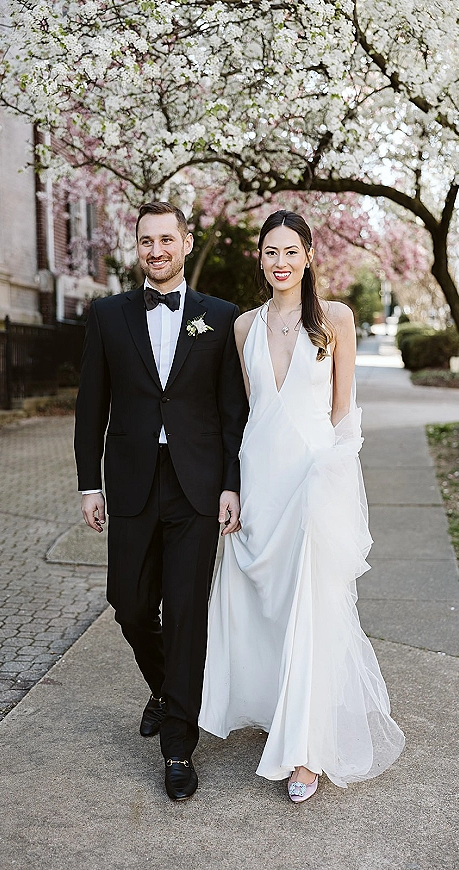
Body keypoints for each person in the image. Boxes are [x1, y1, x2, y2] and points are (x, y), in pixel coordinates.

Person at [199, 210, 405, 802]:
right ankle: (272, 709)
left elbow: (344, 414)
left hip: (315, 478)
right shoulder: (242, 328)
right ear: (259, 260)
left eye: (291, 251)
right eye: (270, 252)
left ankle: (306, 751)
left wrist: (339, 483)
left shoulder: (335, 319)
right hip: (262, 479)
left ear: (309, 255)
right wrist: (230, 486)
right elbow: (244, 417)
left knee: (311, 608)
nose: (280, 261)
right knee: (264, 605)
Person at [74, 202, 248, 801]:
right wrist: (88, 483)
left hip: (197, 486)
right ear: (138, 248)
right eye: (146, 240)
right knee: (127, 602)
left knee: (185, 615)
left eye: (166, 239)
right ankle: (167, 690)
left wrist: (232, 482)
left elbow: (232, 411)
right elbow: (91, 405)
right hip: (130, 482)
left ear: (185, 242)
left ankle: (178, 749)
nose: (156, 249)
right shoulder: (107, 315)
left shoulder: (218, 317)